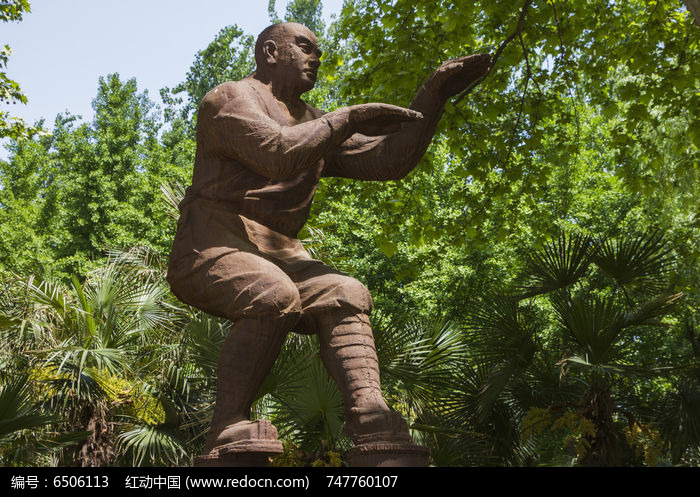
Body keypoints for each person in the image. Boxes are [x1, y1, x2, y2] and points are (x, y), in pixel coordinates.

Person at [167, 22, 491, 457]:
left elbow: (387, 160)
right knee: (272, 295)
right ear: (269, 51)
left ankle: (369, 413)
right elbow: (277, 154)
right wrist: (349, 117)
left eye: (317, 51)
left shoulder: (316, 122)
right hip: (211, 242)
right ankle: (227, 423)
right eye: (303, 47)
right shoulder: (230, 99)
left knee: (346, 291)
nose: (314, 57)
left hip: (279, 249)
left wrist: (434, 93)